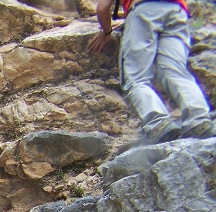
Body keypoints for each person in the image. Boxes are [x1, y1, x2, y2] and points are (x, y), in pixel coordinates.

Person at [87, 0, 216, 142]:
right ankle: (199, 121)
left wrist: (107, 32)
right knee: (174, 71)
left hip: (144, 10)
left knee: (136, 79)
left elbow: (102, 8)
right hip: (177, 12)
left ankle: (158, 124)